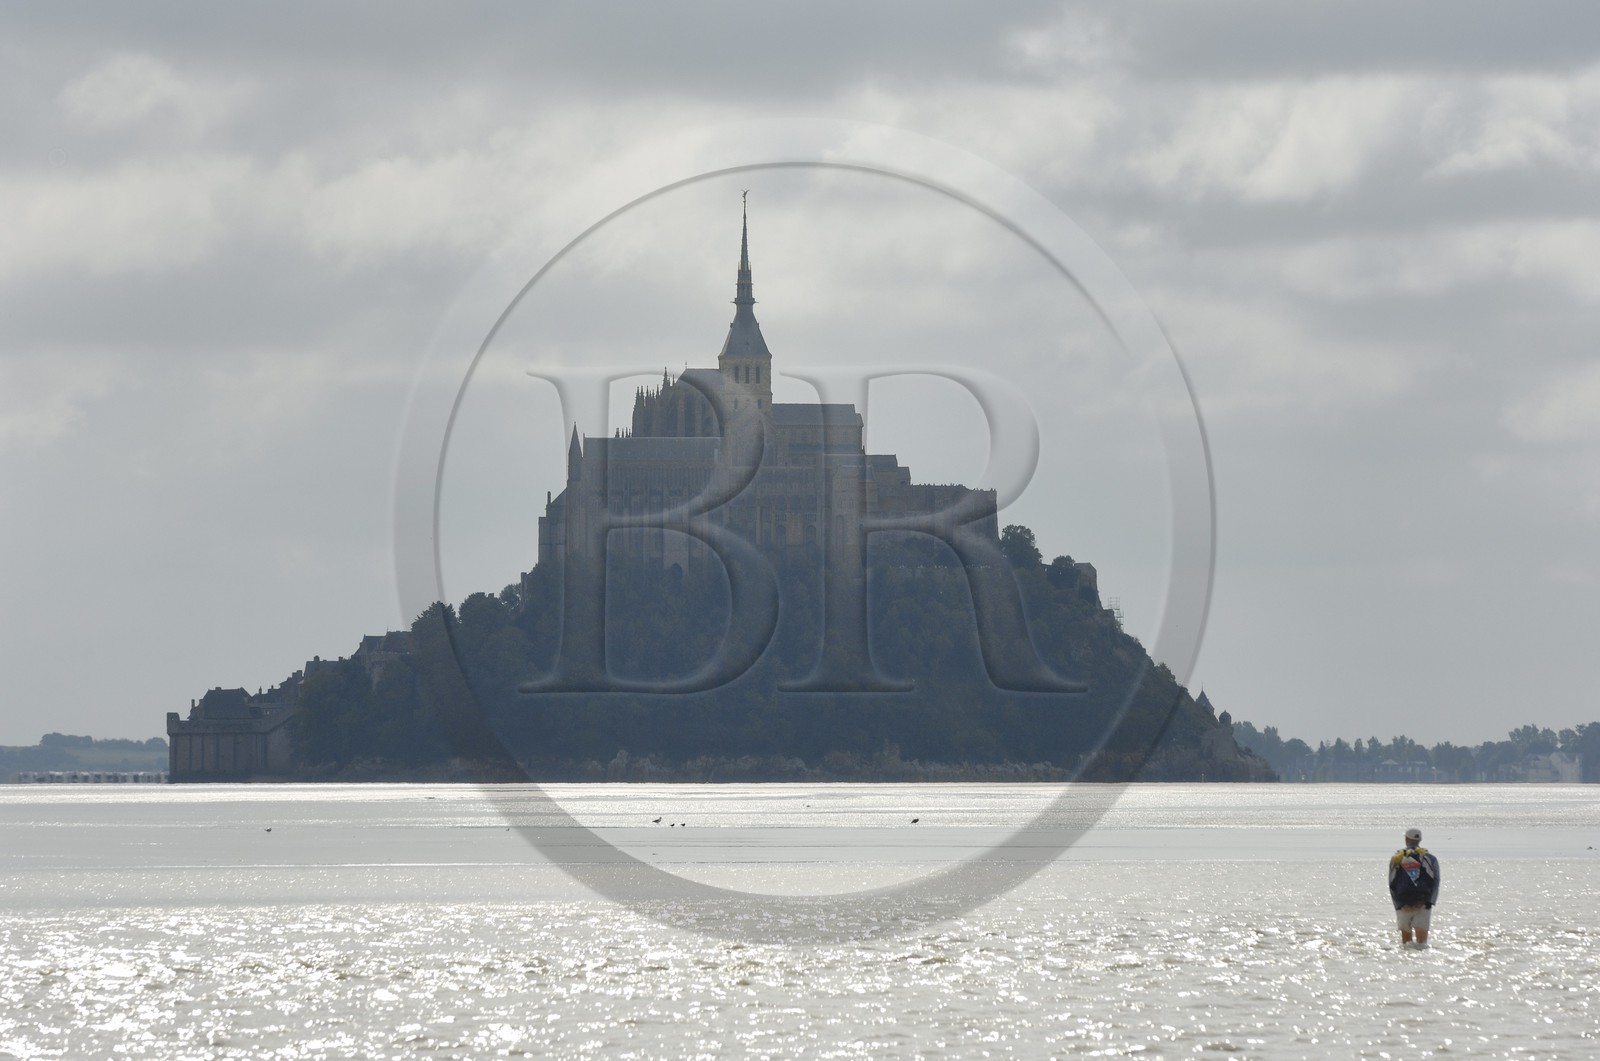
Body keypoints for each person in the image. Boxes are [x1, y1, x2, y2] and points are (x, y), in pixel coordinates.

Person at [1389, 826, 1441, 947]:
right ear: (1420, 840)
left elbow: (1392, 883)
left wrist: (1400, 905)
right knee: (1422, 944)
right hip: (1423, 903)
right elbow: (1435, 882)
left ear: (1406, 839)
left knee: (1406, 945)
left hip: (1403, 904)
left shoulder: (1397, 858)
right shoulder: (1430, 858)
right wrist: (1428, 903)